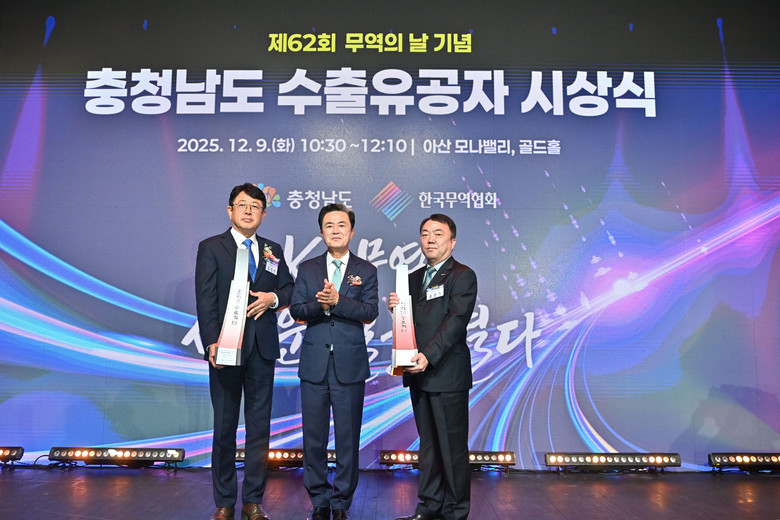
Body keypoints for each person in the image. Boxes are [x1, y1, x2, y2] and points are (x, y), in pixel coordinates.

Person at [196, 183, 295, 520]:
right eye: (242, 205)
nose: (249, 211)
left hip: (261, 348)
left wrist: (273, 299)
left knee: (259, 427)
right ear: (230, 211)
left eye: (255, 206)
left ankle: (253, 500)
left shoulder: (272, 250)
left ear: (263, 214)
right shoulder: (212, 247)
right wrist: (211, 342)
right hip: (224, 347)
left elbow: (290, 288)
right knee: (224, 426)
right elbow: (206, 299)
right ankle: (224, 500)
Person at [290, 203, 379, 520]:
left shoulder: (366, 270)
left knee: (347, 438)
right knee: (313, 438)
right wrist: (322, 305)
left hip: (349, 365)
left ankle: (341, 502)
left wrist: (339, 301)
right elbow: (297, 310)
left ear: (352, 231)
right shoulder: (308, 268)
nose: (336, 230)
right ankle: (319, 500)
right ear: (321, 232)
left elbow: (370, 312)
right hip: (314, 363)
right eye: (329, 225)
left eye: (342, 225)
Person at [388, 214, 477, 520]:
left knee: (452, 448)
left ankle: (455, 511)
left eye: (438, 234)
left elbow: (455, 322)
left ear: (452, 241)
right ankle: (429, 507)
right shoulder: (413, 278)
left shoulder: (462, 275)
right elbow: (410, 324)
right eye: (425, 233)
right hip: (418, 373)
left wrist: (428, 354)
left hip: (446, 373)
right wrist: (397, 310)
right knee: (428, 446)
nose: (430, 239)